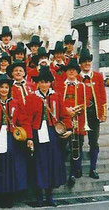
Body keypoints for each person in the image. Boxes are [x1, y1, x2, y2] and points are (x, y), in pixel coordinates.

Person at [29, 67, 72, 207]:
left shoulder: (56, 96)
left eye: (47, 82)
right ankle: (39, 196)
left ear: (50, 83)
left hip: (52, 132)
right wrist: (29, 137)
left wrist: (68, 128)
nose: (44, 85)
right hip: (38, 133)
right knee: (38, 164)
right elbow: (27, 118)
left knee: (51, 164)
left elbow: (64, 115)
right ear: (38, 83)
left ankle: (49, 195)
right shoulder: (32, 97)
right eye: (42, 82)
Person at [0, 79, 32, 208]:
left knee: (11, 167)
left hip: (13, 138)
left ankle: (10, 195)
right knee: (0, 166)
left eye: (6, 87)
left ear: (9, 89)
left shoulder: (16, 103)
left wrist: (28, 137)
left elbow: (24, 121)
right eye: (1, 87)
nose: (4, 90)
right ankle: (1, 195)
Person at [55, 58, 91, 187]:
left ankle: (74, 172)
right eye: (69, 70)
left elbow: (87, 102)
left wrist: (75, 110)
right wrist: (66, 110)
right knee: (61, 147)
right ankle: (61, 172)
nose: (71, 72)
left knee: (77, 147)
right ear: (66, 72)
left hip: (78, 120)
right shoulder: (59, 85)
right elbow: (56, 102)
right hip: (63, 122)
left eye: (73, 70)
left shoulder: (82, 86)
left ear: (77, 72)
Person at [78, 48, 107, 179]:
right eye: (84, 62)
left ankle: (93, 168)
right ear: (80, 64)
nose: (87, 64)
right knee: (78, 142)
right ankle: (77, 169)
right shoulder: (76, 77)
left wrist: (103, 113)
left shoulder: (98, 76)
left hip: (94, 115)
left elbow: (102, 96)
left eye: (88, 61)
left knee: (94, 142)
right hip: (80, 115)